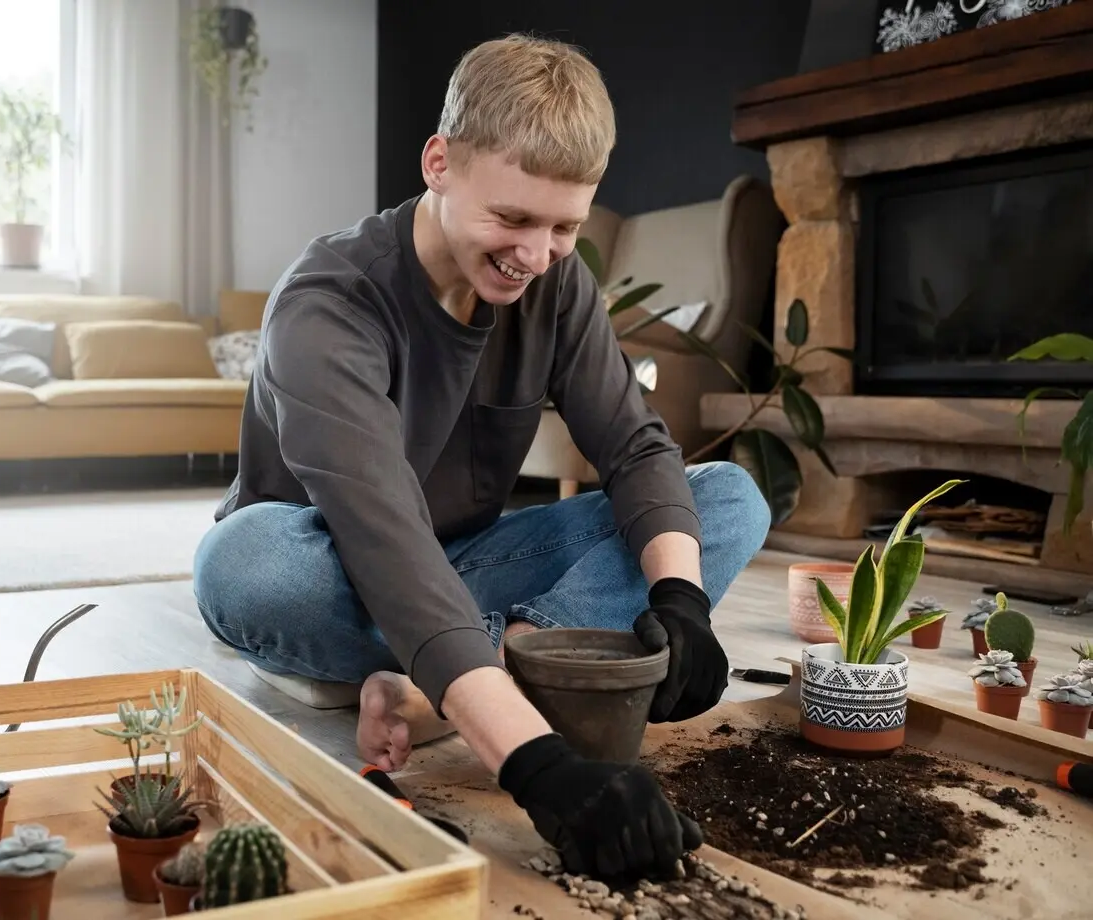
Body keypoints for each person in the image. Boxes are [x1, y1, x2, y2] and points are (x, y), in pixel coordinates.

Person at [193, 34, 771, 882]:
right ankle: (508, 670)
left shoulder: (553, 284)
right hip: (339, 566)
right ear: (439, 163)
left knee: (725, 500)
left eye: (564, 227)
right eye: (512, 218)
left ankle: (464, 674)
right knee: (246, 565)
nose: (534, 256)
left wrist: (681, 602)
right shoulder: (328, 303)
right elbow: (384, 539)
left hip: (468, 565)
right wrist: (541, 768)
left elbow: (636, 446)